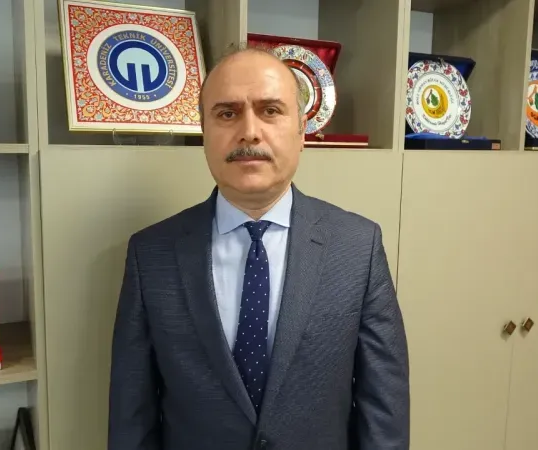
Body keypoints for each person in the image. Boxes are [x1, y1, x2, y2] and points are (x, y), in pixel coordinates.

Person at [108, 44, 410, 450]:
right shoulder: (151, 255)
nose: (249, 131)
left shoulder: (358, 247)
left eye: (270, 110)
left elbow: (384, 411)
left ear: (301, 131)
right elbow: (131, 417)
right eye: (227, 113)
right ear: (204, 132)